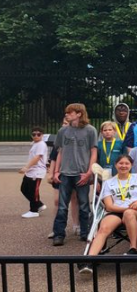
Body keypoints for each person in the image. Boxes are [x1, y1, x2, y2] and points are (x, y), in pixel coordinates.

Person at [81, 154, 137, 271]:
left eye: (127, 163)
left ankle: (134, 248)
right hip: (117, 211)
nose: (123, 166)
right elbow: (109, 206)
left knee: (129, 214)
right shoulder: (109, 182)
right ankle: (90, 260)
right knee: (104, 228)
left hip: (136, 211)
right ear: (116, 165)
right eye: (121, 163)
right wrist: (127, 208)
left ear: (131, 165)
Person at [52, 103, 98, 246]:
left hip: (81, 173)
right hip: (65, 173)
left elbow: (93, 152)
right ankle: (59, 234)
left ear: (79, 114)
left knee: (84, 205)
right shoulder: (63, 131)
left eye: (70, 112)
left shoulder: (90, 130)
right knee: (62, 206)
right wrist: (56, 171)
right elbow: (60, 151)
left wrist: (89, 172)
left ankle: (85, 232)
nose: (66, 115)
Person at [19, 127, 48, 218]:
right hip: (31, 171)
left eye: (38, 134)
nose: (36, 136)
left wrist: (26, 167)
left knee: (33, 191)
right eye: (34, 134)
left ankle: (34, 210)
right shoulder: (35, 144)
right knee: (24, 189)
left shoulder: (41, 144)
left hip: (37, 171)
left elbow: (37, 158)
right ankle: (39, 205)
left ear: (42, 135)